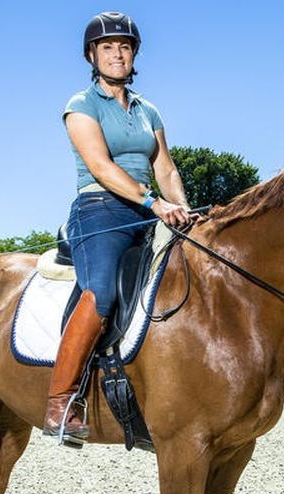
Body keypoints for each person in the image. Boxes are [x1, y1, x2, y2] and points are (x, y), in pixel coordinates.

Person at [44, 11, 194, 441]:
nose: (117, 53)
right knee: (103, 291)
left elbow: (164, 166)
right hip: (100, 210)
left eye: (124, 46)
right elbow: (100, 166)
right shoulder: (81, 105)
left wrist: (182, 209)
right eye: (107, 47)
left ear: (134, 55)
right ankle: (61, 400)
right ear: (92, 55)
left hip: (149, 210)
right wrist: (152, 201)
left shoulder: (149, 110)